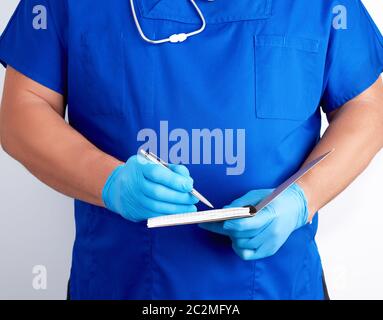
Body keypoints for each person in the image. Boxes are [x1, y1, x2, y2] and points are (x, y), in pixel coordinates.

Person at [1, 0, 383, 300]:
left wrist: (303, 198)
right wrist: (109, 181)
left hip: (277, 286)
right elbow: (23, 110)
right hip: (120, 284)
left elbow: (365, 107)